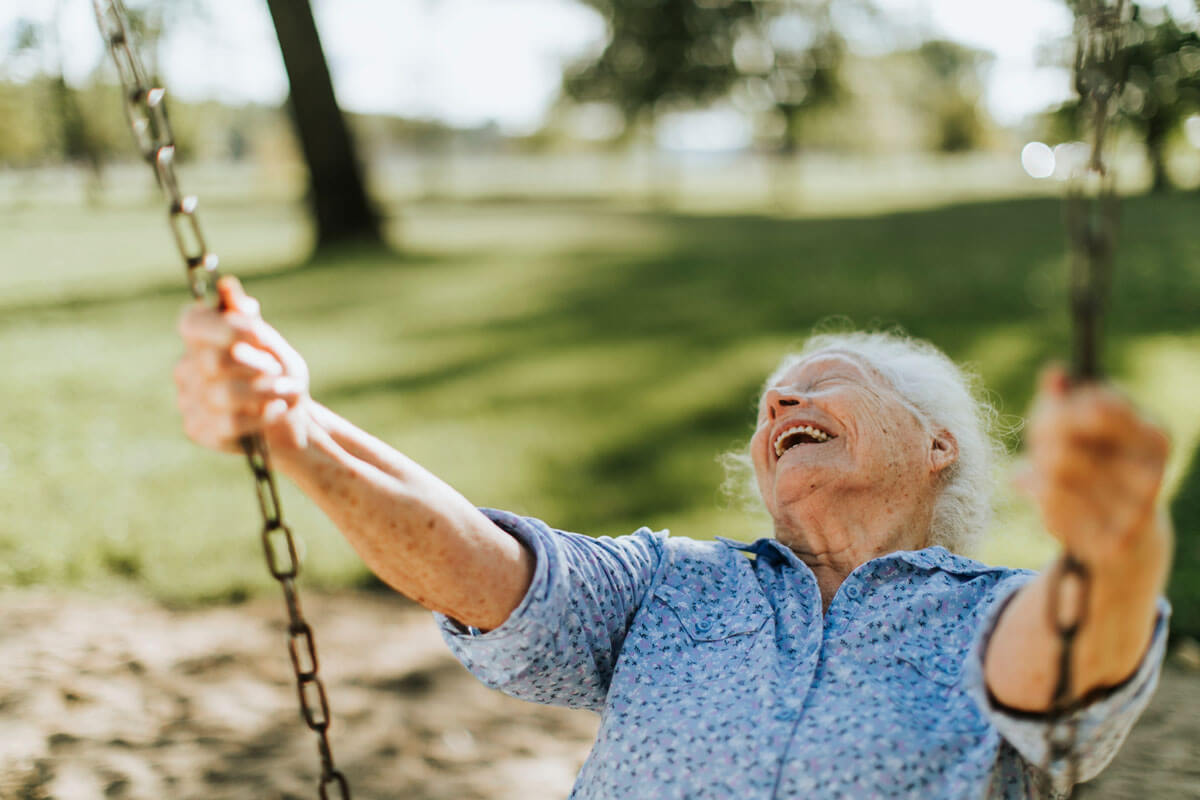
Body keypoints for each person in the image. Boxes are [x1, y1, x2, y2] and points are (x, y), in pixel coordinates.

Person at [176, 277, 1171, 799]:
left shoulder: (986, 612)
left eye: (826, 381)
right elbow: (486, 568)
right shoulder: (671, 583)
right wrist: (293, 424)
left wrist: (1116, 540)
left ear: (937, 444)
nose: (785, 395)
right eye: (771, 398)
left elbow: (1077, 649)